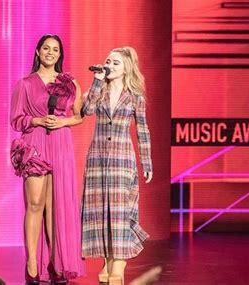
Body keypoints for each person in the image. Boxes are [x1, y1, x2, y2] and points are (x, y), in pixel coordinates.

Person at [10, 34, 85, 284]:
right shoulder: (25, 84)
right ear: (38, 51)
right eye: (46, 48)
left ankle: (56, 264)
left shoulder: (69, 83)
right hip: (35, 145)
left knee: (56, 207)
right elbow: (16, 119)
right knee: (35, 204)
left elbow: (79, 115)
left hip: (60, 143)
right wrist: (37, 120)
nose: (50, 53)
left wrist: (62, 121)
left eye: (55, 49)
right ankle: (32, 264)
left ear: (60, 55)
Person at [81, 47, 153, 285]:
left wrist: (147, 161)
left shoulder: (135, 97)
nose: (110, 66)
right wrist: (96, 81)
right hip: (98, 159)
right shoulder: (98, 91)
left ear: (126, 69)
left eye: (116, 63)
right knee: (101, 211)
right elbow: (86, 111)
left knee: (121, 212)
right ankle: (106, 261)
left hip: (123, 160)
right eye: (108, 61)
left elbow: (142, 130)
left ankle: (118, 264)